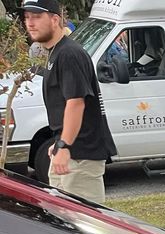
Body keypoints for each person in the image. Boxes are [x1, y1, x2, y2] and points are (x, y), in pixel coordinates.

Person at [21, 0, 116, 204]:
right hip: (68, 152)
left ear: (55, 19)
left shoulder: (69, 54)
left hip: (80, 156)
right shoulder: (56, 53)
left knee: (86, 227)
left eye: (37, 17)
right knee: (63, 222)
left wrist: (64, 145)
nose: (30, 23)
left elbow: (76, 103)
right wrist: (59, 141)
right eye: (27, 17)